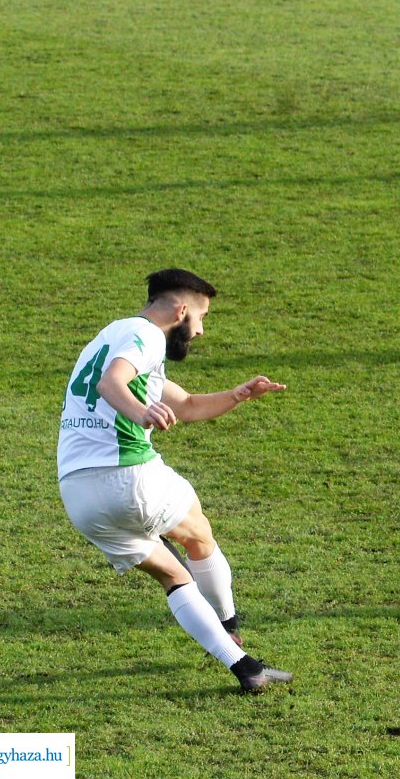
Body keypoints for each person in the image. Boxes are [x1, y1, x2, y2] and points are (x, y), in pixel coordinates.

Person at [56, 269, 293, 694]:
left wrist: (237, 395)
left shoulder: (112, 336)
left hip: (79, 497)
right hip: (128, 476)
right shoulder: (147, 336)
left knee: (174, 577)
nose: (200, 330)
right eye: (201, 316)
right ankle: (230, 626)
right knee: (198, 535)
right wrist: (140, 412)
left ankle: (244, 667)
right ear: (181, 310)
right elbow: (112, 384)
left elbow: (184, 405)